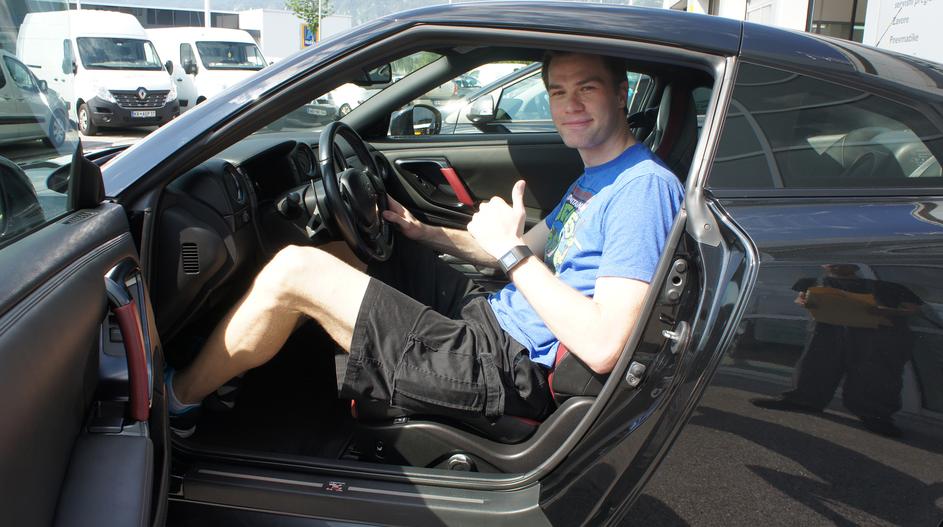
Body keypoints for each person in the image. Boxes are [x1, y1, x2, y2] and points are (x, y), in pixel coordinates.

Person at [166, 51, 685, 437]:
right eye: (557, 91)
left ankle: (177, 399)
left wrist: (510, 251)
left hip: (512, 367)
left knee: (293, 271)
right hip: (496, 318)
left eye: (587, 88)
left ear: (621, 93)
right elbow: (519, 250)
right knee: (354, 250)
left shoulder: (642, 188)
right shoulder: (596, 179)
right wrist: (425, 232)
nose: (569, 104)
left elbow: (605, 345)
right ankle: (235, 361)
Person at [753, 263, 921, 437]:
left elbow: (912, 308)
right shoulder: (813, 281)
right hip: (826, 329)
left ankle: (876, 415)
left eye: (842, 264)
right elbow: (801, 297)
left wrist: (884, 311)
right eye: (831, 264)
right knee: (816, 365)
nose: (835, 266)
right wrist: (804, 302)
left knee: (873, 373)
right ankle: (803, 400)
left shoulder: (885, 284)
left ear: (855, 266)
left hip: (874, 333)